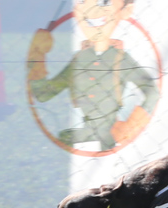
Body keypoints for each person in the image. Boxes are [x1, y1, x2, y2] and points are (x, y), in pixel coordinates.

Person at [27, 0, 158, 150]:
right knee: (64, 139)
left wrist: (129, 126)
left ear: (125, 10)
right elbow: (44, 94)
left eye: (106, 2)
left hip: (112, 132)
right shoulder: (80, 60)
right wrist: (37, 56)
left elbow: (152, 91)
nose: (94, 8)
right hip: (87, 130)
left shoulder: (119, 59)